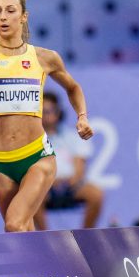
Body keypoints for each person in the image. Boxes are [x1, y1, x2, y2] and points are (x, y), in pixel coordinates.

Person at [0, 0, 93, 233]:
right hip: (0, 161)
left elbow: (73, 87)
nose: (3, 17)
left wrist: (82, 117)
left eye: (10, 11)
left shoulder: (44, 57)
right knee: (23, 232)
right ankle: (43, 269)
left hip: (37, 156)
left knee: (14, 225)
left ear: (23, 17)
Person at [33, 91, 104, 230]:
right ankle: (44, 237)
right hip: (45, 187)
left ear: (58, 112)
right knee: (32, 196)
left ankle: (85, 235)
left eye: (50, 110)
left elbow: (80, 166)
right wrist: (49, 182)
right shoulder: (32, 139)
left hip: (71, 186)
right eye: (43, 111)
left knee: (96, 194)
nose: (47, 115)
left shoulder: (72, 136)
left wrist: (73, 180)